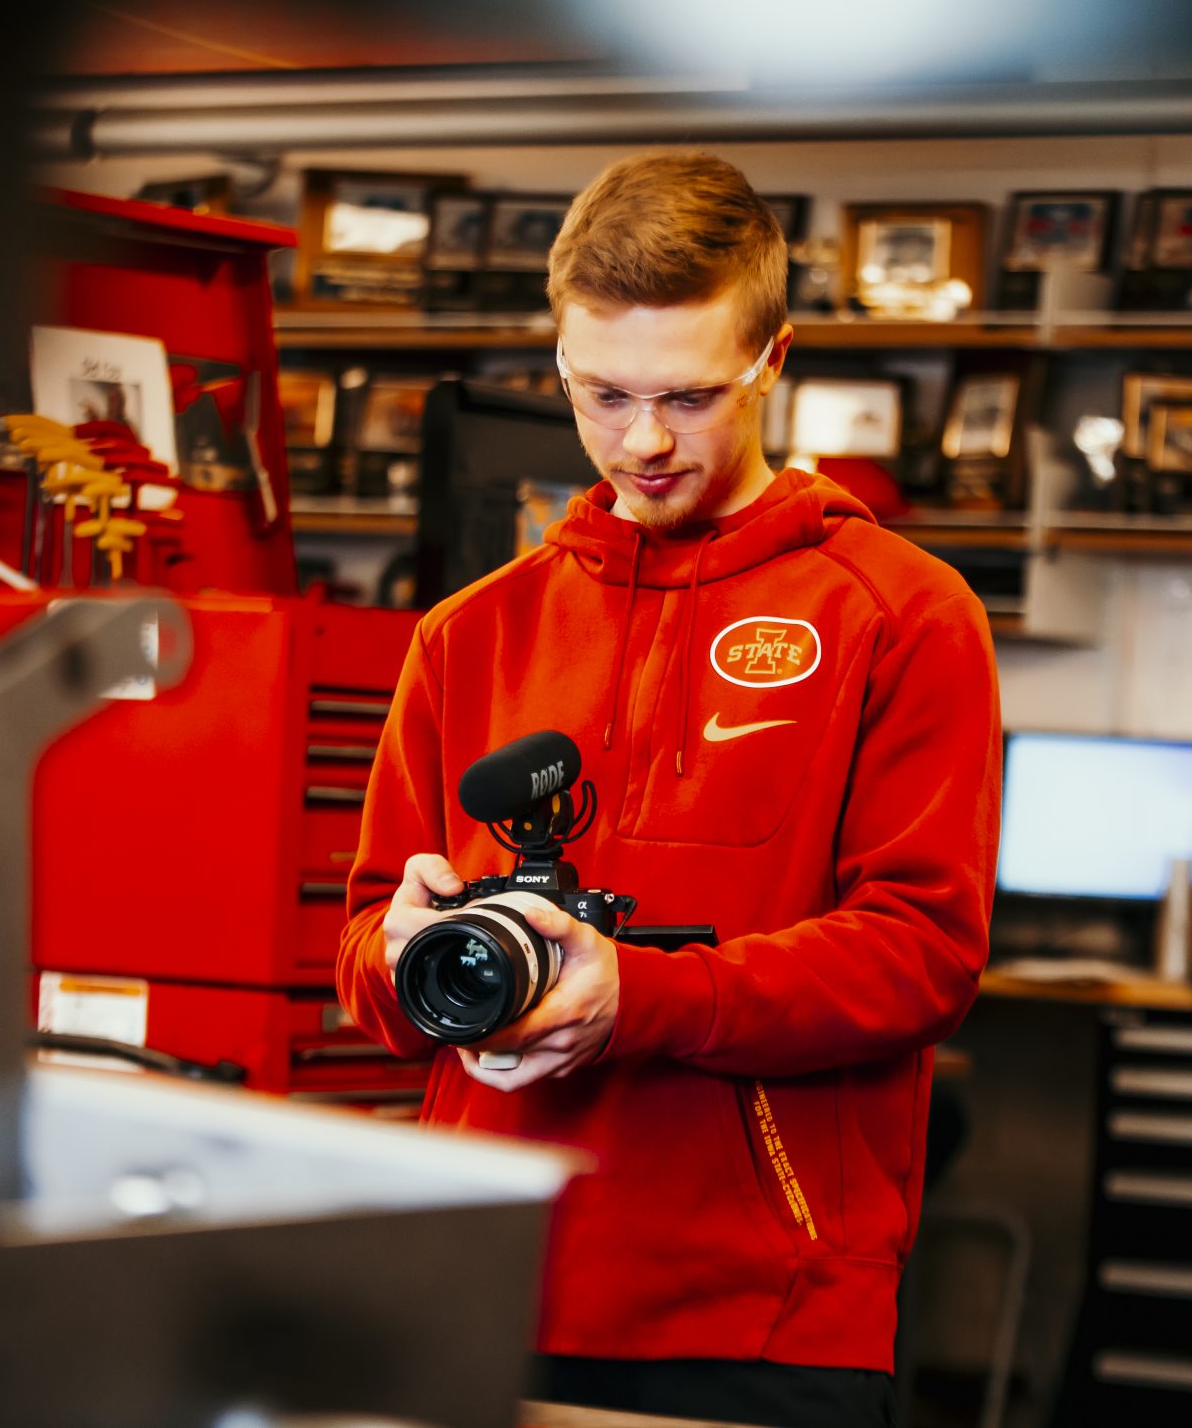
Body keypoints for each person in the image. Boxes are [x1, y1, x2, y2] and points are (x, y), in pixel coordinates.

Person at [335, 150, 1002, 1428]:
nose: (642, 442)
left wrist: (640, 994)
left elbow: (924, 957)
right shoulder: (469, 633)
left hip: (758, 1313)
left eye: (690, 398)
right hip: (478, 1282)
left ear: (773, 359)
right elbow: (365, 957)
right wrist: (404, 950)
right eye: (603, 395)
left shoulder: (903, 617)